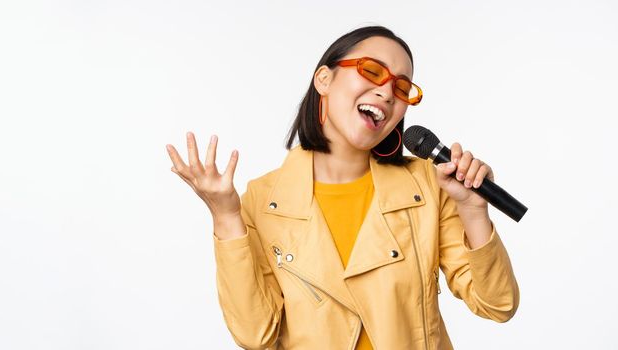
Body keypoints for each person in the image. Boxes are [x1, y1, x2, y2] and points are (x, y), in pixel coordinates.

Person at [166, 25, 519, 350]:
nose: (386, 92)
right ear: (323, 79)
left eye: (401, 87)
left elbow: (497, 304)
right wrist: (225, 215)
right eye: (372, 71)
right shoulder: (263, 200)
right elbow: (255, 334)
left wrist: (473, 210)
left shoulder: (428, 185)